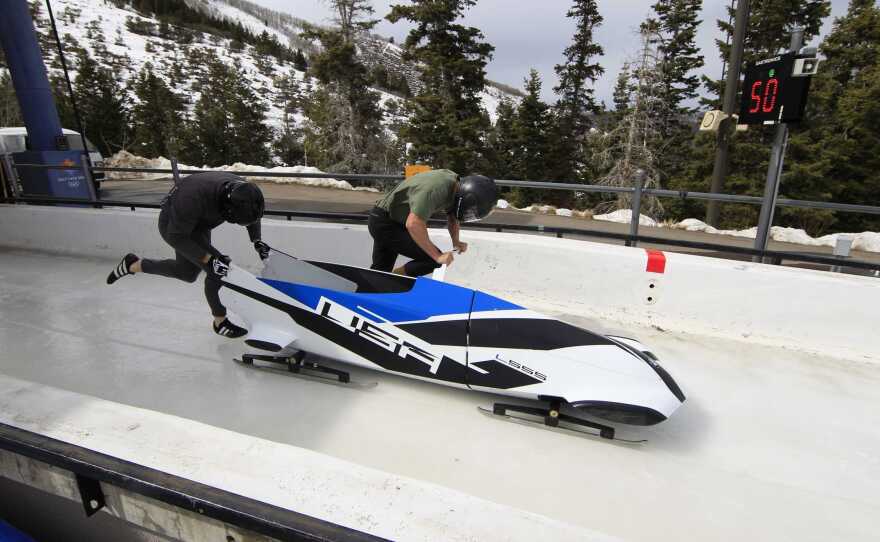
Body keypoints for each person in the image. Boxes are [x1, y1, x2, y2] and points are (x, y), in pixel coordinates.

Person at [105, 171, 270, 338]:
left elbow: (252, 214)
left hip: (200, 224)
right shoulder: (192, 198)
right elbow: (175, 237)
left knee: (187, 273)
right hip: (175, 227)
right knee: (218, 270)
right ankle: (220, 323)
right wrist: (209, 259)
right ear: (227, 207)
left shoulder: (245, 191)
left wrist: (257, 240)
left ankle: (132, 265)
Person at [368, 169, 497, 277]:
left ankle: (371, 292)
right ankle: (395, 279)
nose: (469, 214)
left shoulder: (455, 186)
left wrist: (456, 242)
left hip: (391, 220)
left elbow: (453, 216)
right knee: (433, 260)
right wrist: (437, 256)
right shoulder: (436, 189)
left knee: (379, 272)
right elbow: (413, 223)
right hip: (385, 223)